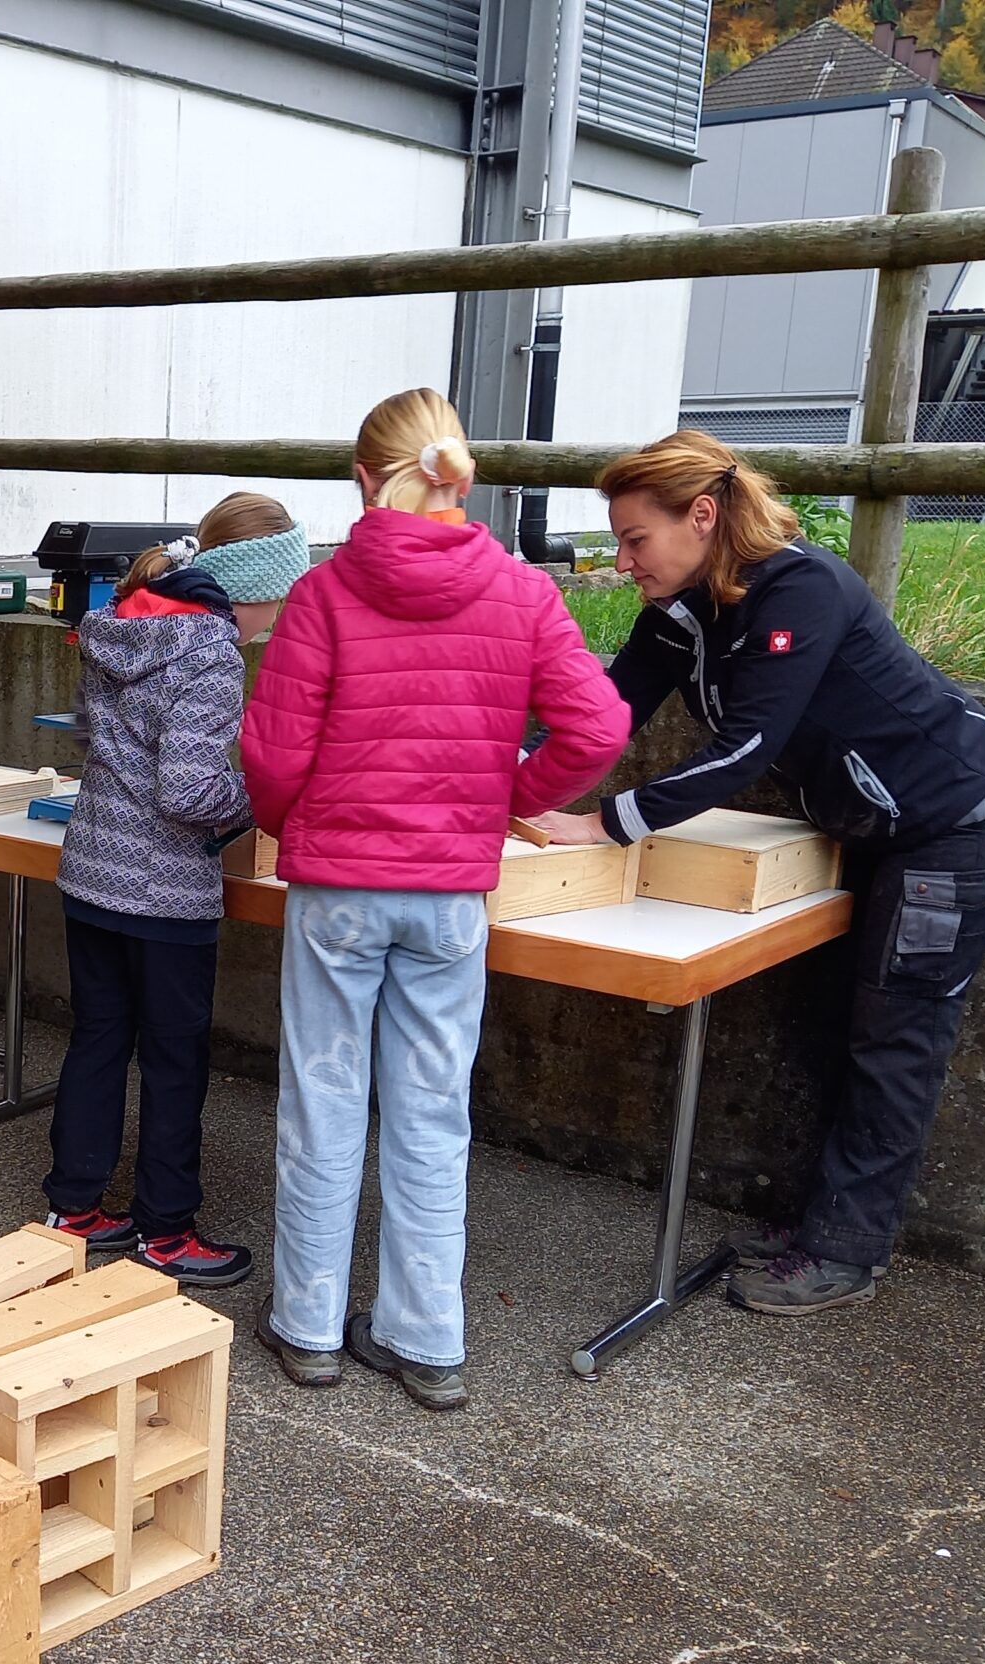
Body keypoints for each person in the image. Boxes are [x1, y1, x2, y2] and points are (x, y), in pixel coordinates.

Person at [527, 430, 985, 1315]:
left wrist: (605, 824)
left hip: (950, 821)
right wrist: (495, 778)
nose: (621, 558)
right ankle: (822, 1230)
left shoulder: (802, 588)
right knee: (840, 1026)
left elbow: (740, 749)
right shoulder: (686, 609)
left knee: (895, 1041)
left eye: (636, 538)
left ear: (704, 517)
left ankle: (844, 1252)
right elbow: (602, 715)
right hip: (867, 827)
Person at [242, 388, 629, 1405]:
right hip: (450, 895)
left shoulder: (324, 595)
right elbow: (596, 730)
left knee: (324, 1105)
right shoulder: (524, 593)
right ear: (463, 476)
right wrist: (506, 804)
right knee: (430, 1115)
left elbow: (274, 758)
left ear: (365, 479)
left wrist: (302, 824)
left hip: (337, 892)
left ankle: (310, 1326)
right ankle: (425, 1342)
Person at [41, 492, 311, 1285]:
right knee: (172, 1062)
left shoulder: (119, 624)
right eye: (282, 598)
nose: (279, 618)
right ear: (254, 586)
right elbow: (189, 794)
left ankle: (75, 1209)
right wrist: (259, 801)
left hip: (91, 874)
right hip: (163, 895)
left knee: (97, 1039)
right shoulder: (214, 651)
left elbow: (94, 741)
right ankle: (167, 1230)